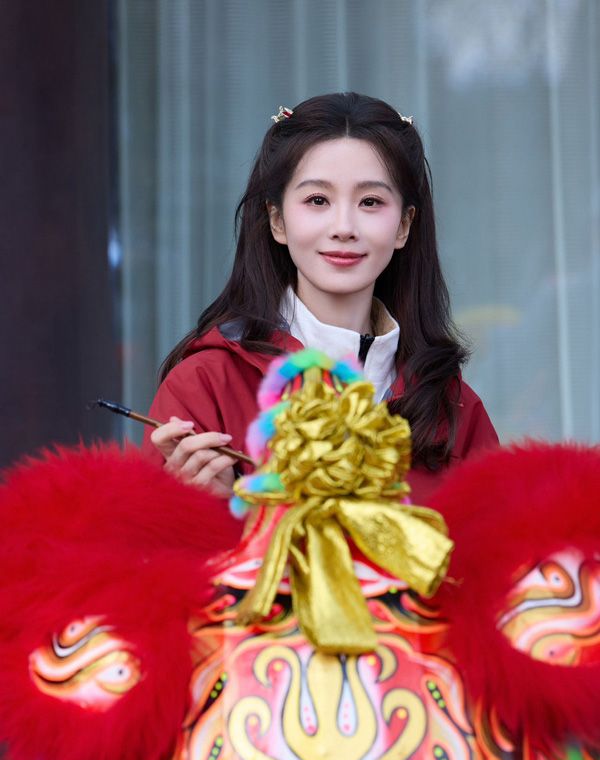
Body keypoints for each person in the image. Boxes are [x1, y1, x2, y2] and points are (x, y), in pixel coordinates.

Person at [141, 92, 498, 504]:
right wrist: (203, 509)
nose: (343, 227)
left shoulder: (451, 406)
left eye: (370, 202)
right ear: (277, 219)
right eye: (317, 200)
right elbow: (144, 541)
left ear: (404, 225)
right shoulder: (205, 385)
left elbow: (504, 541)